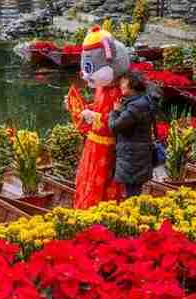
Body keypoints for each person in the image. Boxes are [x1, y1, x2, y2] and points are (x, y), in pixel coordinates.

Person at [65, 26, 131, 209]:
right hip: (93, 144)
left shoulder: (121, 90)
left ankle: (99, 216)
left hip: (109, 147)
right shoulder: (102, 87)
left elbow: (118, 120)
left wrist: (94, 116)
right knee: (87, 179)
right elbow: (99, 108)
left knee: (102, 184)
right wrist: (80, 107)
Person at [109, 71, 156, 198]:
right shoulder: (142, 101)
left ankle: (134, 215)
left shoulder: (135, 107)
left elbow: (114, 126)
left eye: (124, 82)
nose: (121, 84)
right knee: (134, 189)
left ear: (132, 85)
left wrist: (115, 111)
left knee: (132, 192)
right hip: (138, 152)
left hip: (132, 155)